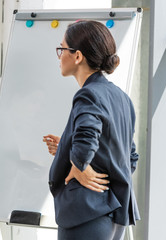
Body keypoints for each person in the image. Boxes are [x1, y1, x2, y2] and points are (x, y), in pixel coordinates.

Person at [43, 20, 139, 240]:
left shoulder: (89, 94)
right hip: (113, 212)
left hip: (87, 211)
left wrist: (79, 165)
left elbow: (87, 140)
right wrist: (66, 148)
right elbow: (129, 156)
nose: (59, 56)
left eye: (62, 49)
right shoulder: (121, 97)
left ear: (77, 56)